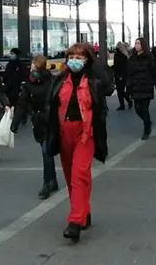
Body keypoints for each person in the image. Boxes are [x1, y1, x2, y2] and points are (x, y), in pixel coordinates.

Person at [45, 43, 111, 242]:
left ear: (87, 60)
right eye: (71, 56)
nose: (74, 59)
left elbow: (108, 87)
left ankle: (75, 221)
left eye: (79, 56)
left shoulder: (94, 81)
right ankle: (84, 211)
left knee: (79, 173)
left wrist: (97, 67)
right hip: (64, 132)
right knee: (70, 175)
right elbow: (50, 105)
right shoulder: (60, 80)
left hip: (86, 132)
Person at [11, 55, 58, 199]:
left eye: (35, 69)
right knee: (46, 152)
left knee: (46, 152)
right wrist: (16, 123)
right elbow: (22, 103)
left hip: (52, 120)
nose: (33, 71)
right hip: (38, 121)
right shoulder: (28, 85)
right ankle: (53, 180)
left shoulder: (52, 81)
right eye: (32, 68)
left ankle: (46, 184)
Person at [125, 38, 156, 140]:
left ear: (143, 46)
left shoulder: (149, 58)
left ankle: (146, 130)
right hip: (135, 86)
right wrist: (128, 87)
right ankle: (148, 122)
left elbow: (154, 73)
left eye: (139, 43)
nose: (136, 45)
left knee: (144, 109)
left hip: (146, 86)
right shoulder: (132, 59)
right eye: (135, 43)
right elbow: (129, 74)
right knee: (137, 109)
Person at [112, 42, 132, 111]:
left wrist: (121, 75)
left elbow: (124, 67)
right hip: (117, 74)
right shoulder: (116, 54)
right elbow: (115, 65)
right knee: (119, 91)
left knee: (120, 90)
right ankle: (122, 104)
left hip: (122, 75)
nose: (117, 47)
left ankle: (127, 101)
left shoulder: (123, 55)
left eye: (118, 46)